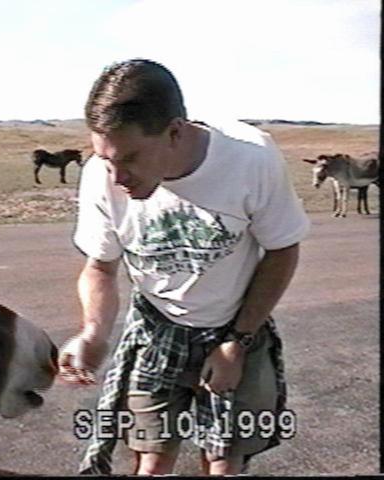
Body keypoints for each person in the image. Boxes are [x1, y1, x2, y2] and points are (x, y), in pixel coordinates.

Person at [58, 58, 310, 476]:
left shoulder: (250, 159)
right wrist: (93, 333)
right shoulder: (100, 176)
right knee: (152, 463)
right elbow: (101, 266)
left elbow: (283, 249)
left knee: (224, 465)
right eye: (105, 159)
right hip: (157, 333)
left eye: (130, 158)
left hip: (234, 328)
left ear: (175, 131)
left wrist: (237, 343)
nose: (117, 176)